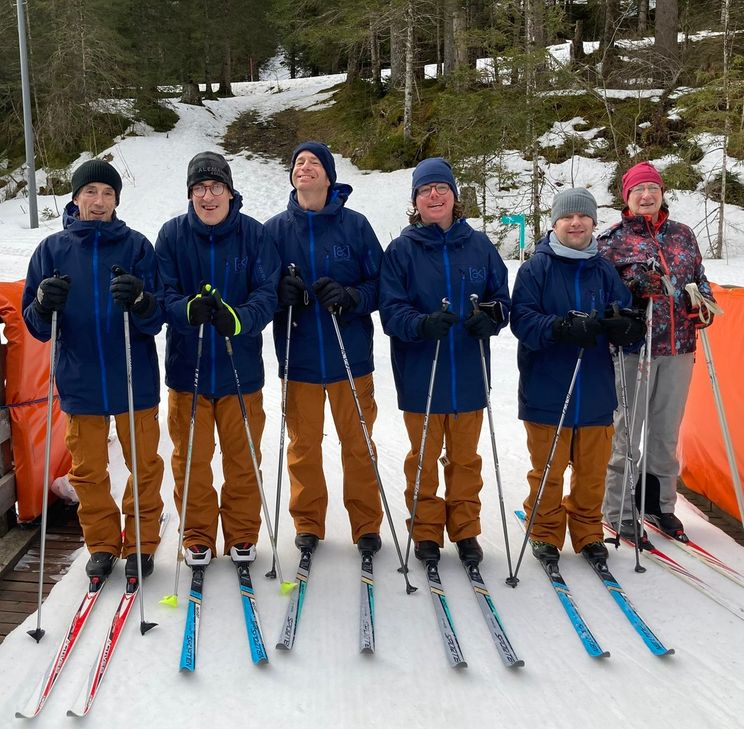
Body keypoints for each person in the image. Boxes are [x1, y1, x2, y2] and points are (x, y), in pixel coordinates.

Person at [22, 158, 165, 583]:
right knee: (87, 471)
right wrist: (44, 303)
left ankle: (141, 542)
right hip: (80, 380)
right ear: (75, 198)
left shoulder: (137, 247)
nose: (99, 201)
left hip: (133, 378)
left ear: (116, 201)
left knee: (144, 466)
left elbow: (157, 318)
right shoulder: (52, 251)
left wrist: (140, 301)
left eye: (107, 194)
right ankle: (101, 544)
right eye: (91, 192)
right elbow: (35, 325)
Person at [379, 157, 510, 565]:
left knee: (465, 459)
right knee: (422, 460)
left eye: (441, 188)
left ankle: (466, 529)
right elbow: (391, 311)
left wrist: (490, 318)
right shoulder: (402, 250)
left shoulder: (479, 246)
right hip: (422, 374)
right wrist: (421, 324)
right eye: (424, 190)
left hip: (468, 373)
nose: (433, 196)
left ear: (454, 195)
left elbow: (502, 299)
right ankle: (425, 531)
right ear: (415, 200)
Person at [155, 151, 280, 567]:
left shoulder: (254, 235)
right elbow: (163, 294)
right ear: (190, 193)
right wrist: (187, 310)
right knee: (191, 461)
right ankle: (197, 535)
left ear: (229, 191)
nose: (208, 196)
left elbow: (267, 294)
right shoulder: (172, 235)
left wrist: (238, 319)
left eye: (215, 187)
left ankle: (242, 533)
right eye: (199, 188)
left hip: (240, 372)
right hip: (187, 372)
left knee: (243, 460)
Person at [509, 188, 645, 566]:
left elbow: (623, 312)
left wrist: (627, 327)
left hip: (595, 390)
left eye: (583, 217)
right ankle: (545, 530)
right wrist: (560, 327)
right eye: (567, 217)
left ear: (593, 223)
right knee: (549, 471)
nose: (575, 223)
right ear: (555, 223)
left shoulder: (603, 270)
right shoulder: (536, 268)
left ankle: (587, 531)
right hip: (547, 389)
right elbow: (522, 321)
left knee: (591, 472)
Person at [264, 141, 385, 556]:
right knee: (303, 448)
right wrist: (280, 294)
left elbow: (380, 284)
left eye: (314, 162)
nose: (305, 167)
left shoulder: (356, 226)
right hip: (299, 359)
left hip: (350, 359)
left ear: (329, 176)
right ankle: (308, 522)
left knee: (359, 446)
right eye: (298, 162)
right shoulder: (275, 231)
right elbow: (259, 289)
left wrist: (352, 297)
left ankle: (366, 524)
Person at [600, 161, 716, 542]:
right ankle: (618, 509)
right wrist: (632, 289)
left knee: (665, 433)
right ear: (627, 197)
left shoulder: (682, 235)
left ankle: (659, 503)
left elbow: (699, 278)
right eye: (638, 190)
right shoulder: (613, 240)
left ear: (662, 193)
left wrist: (703, 305)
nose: (647, 195)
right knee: (626, 433)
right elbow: (603, 293)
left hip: (679, 347)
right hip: (635, 349)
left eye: (653, 188)